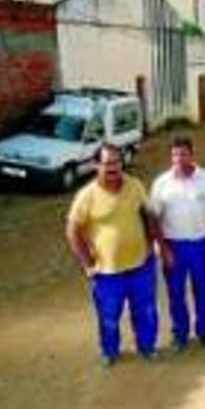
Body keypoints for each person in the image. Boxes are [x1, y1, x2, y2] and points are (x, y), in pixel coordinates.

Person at [65, 143, 160, 367]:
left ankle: (147, 347)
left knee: (145, 312)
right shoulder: (86, 196)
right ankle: (110, 351)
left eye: (116, 162)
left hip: (140, 266)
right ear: (96, 165)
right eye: (107, 163)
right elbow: (72, 230)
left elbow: (148, 216)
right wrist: (87, 263)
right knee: (109, 317)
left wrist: (151, 245)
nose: (113, 167)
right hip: (107, 273)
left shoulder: (135, 185)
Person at [150, 137, 205, 352]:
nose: (179, 158)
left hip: (200, 244)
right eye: (175, 154)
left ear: (192, 155)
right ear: (171, 157)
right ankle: (180, 335)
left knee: (203, 292)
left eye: (184, 154)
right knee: (175, 293)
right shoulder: (161, 183)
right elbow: (154, 218)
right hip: (173, 246)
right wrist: (163, 249)